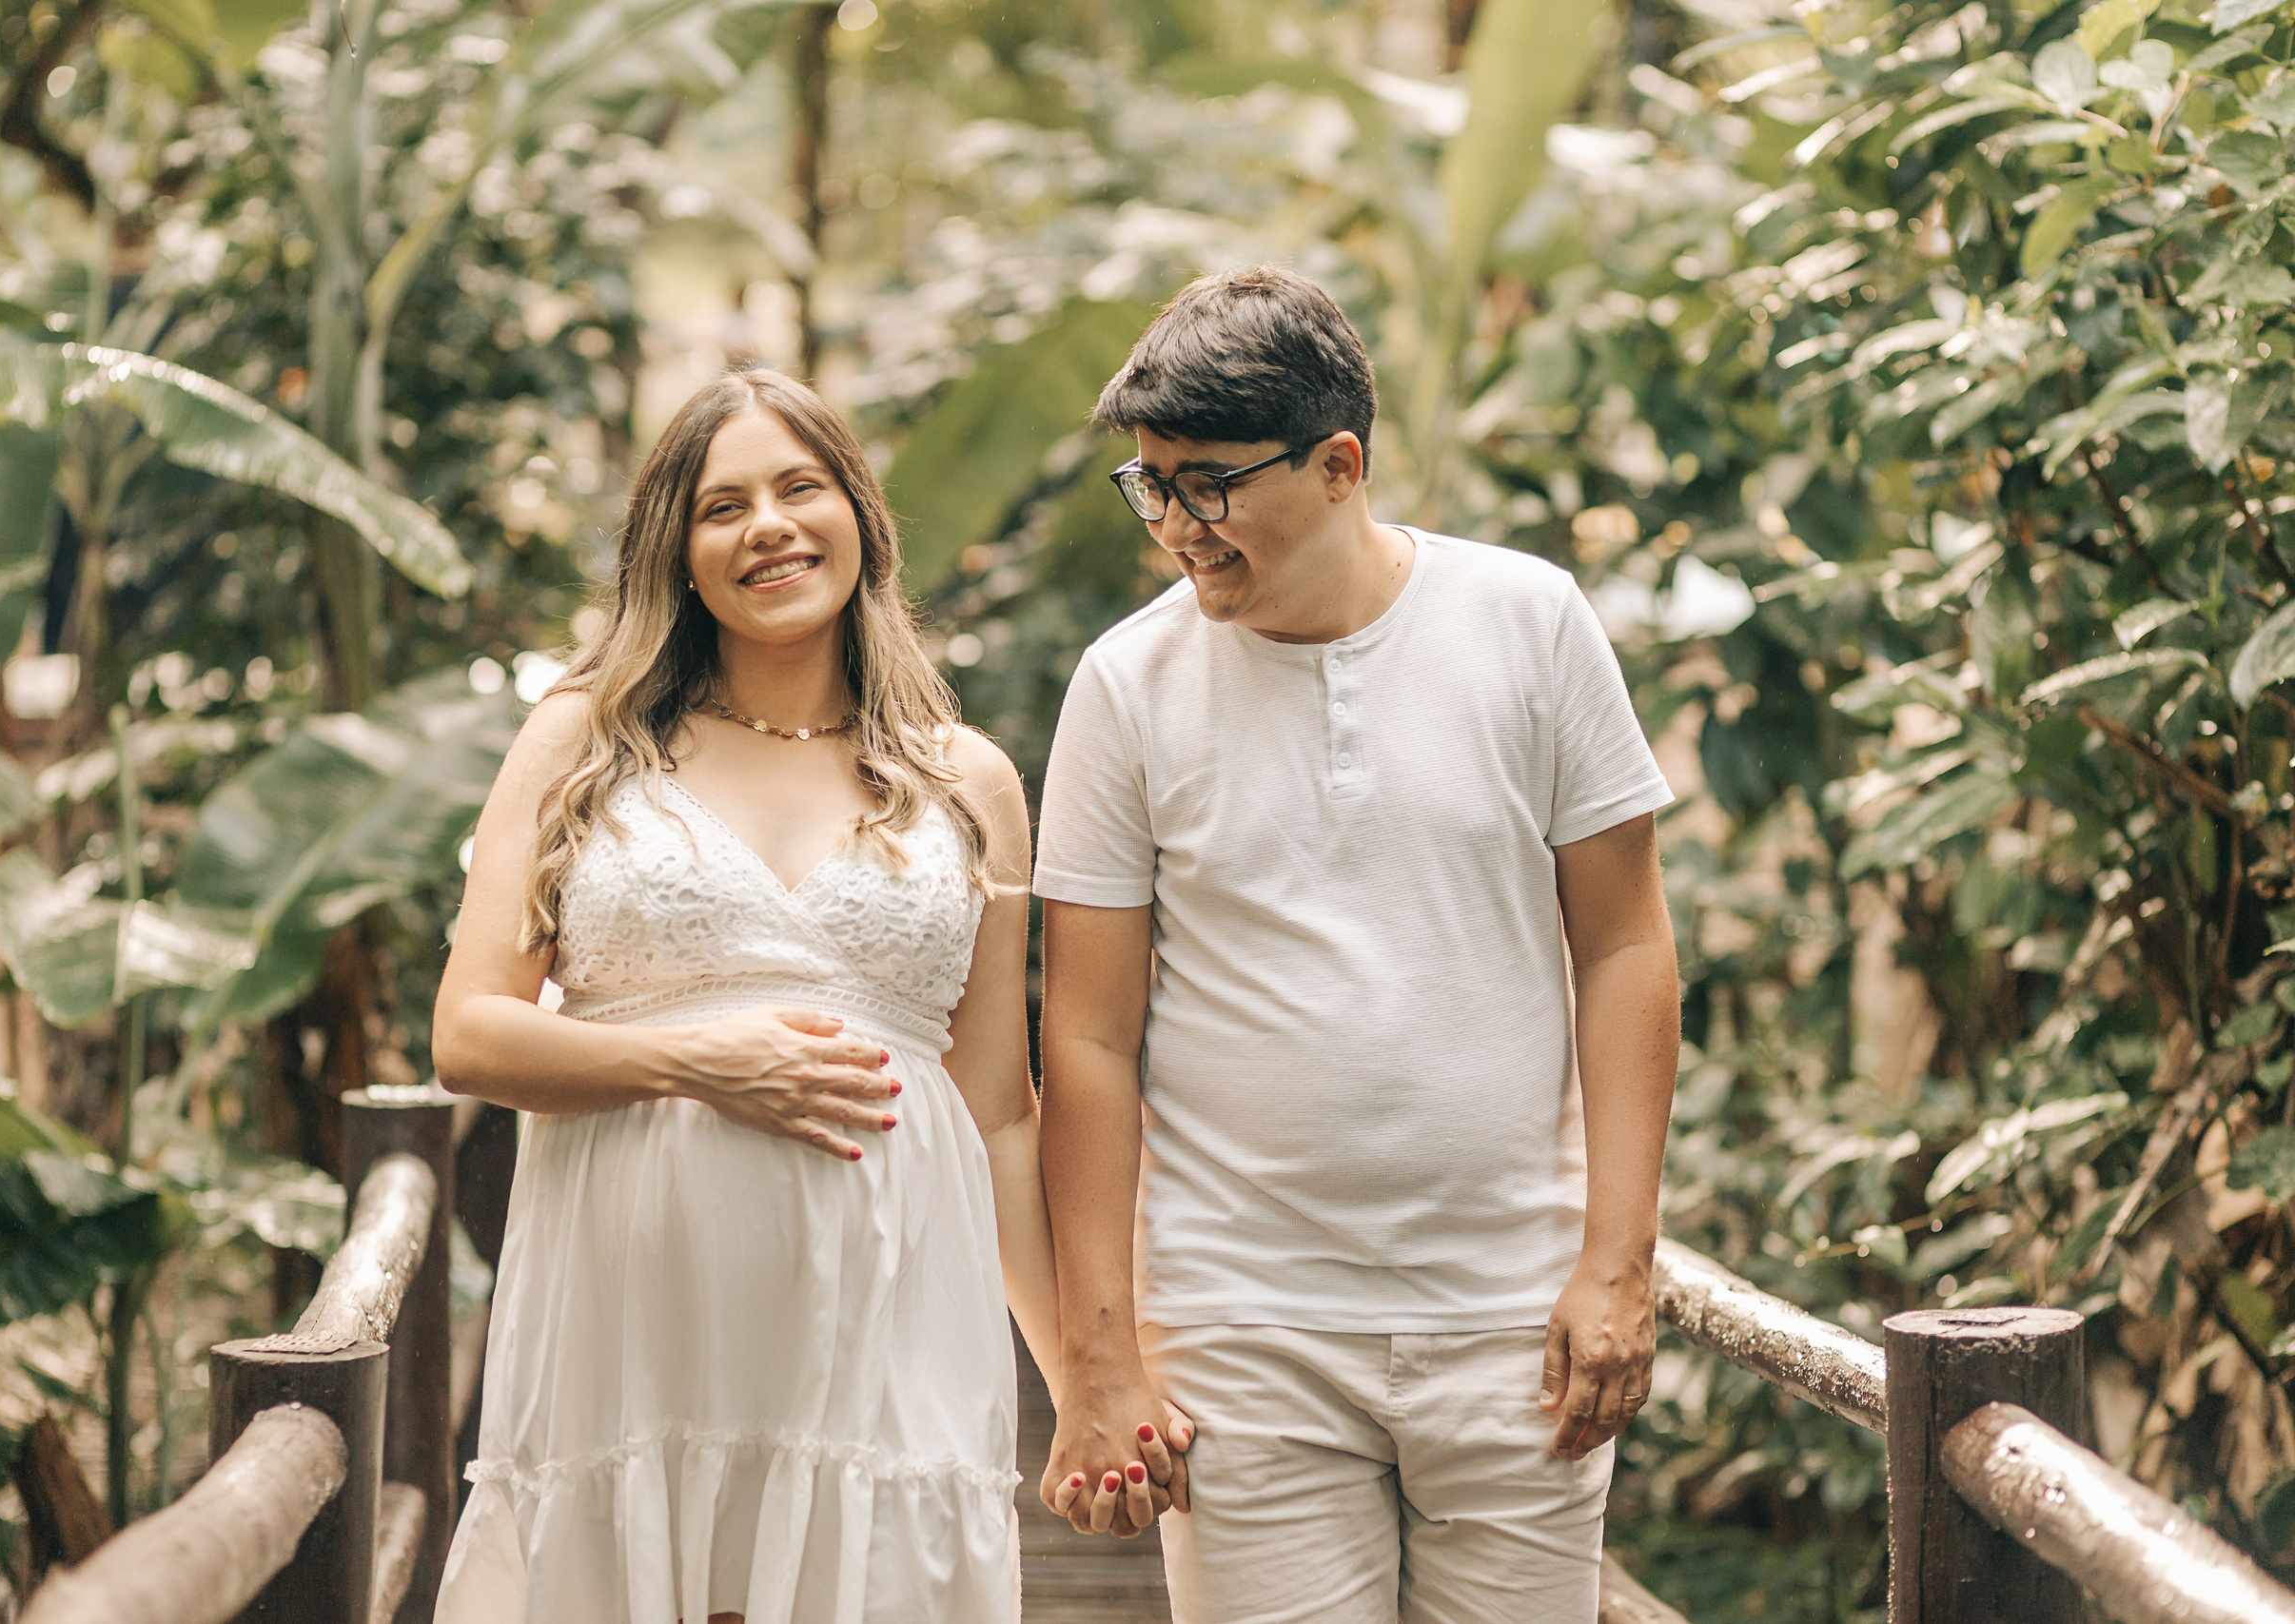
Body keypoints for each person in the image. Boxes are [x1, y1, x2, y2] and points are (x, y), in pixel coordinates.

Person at [427, 367, 1175, 1624]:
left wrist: (1086, 1386)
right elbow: (469, 1035)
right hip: (637, 1329)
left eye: (799, 489)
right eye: (722, 507)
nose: (767, 526)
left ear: (860, 518)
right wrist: (697, 1063)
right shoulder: (583, 741)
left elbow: (999, 1115)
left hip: (885, 1325)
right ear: (677, 555)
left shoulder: (968, 782)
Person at [1034, 266, 1681, 1622]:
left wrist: (1618, 1263)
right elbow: (1086, 1039)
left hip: (1515, 1323)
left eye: (1209, 485)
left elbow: (1625, 946)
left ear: (1339, 466)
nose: (1176, 526)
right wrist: (1101, 1362)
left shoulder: (1530, 623)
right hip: (1240, 1331)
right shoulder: (1126, 685)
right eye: (1152, 485)